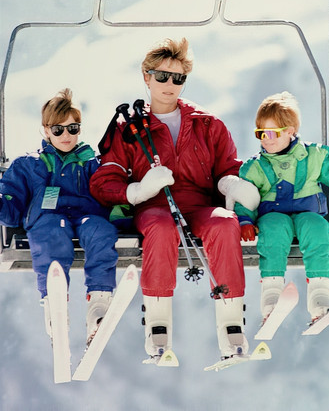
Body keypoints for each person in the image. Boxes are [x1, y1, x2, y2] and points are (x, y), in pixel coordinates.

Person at [88, 37, 260, 364]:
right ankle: (158, 324)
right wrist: (139, 190)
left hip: (198, 204)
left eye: (178, 78)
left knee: (225, 224)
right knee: (160, 227)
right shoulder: (128, 128)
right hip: (153, 206)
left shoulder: (207, 124)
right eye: (162, 76)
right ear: (146, 76)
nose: (170, 84)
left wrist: (232, 184)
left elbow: (227, 167)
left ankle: (232, 324)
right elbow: (104, 180)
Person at [0, 88, 119, 347]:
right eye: (58, 130)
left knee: (100, 230)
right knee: (52, 231)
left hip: (85, 217)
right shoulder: (29, 165)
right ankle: (56, 305)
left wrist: (129, 206)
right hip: (49, 219)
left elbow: (110, 193)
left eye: (73, 128)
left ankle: (99, 305)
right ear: (46, 130)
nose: (66, 136)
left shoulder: (91, 164)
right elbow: (14, 203)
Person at [234, 91, 329, 327]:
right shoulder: (256, 167)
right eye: (260, 133)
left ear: (290, 131)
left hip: (308, 214)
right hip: (273, 217)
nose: (265, 140)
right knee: (273, 231)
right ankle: (272, 295)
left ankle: (319, 294)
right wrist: (245, 221)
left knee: (317, 229)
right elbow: (244, 197)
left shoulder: (314, 157)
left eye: (272, 133)